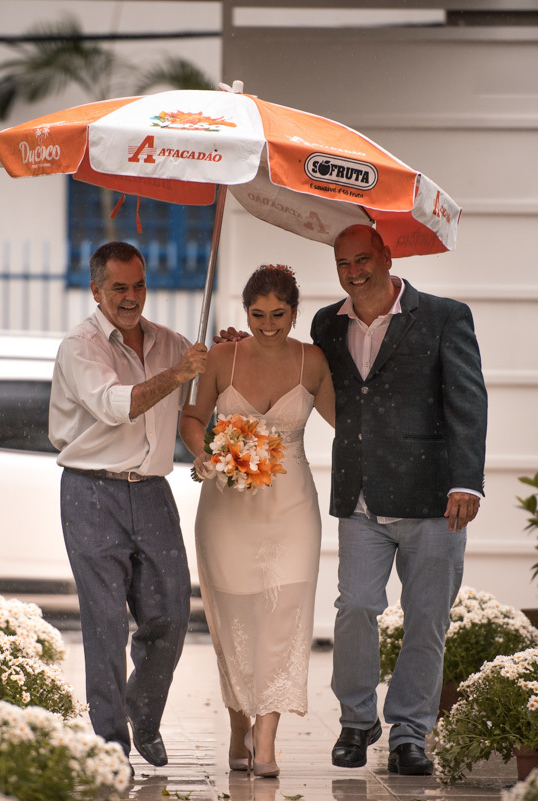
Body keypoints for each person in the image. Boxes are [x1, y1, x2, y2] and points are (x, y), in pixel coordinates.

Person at [312, 224, 488, 776]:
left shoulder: (443, 316)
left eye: (363, 259)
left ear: (387, 255)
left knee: (426, 619)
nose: (353, 271)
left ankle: (411, 731)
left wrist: (467, 481)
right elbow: (303, 375)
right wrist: (240, 347)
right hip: (362, 497)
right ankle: (358, 720)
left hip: (435, 498)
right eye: (343, 263)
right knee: (357, 607)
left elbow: (468, 399)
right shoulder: (326, 323)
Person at [49, 241, 208, 771]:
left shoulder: (172, 343)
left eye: (138, 285)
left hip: (153, 491)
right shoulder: (81, 345)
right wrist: (180, 374)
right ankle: (111, 742)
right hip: (91, 491)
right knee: (106, 623)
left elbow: (207, 391)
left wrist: (228, 350)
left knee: (171, 616)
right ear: (96, 290)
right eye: (119, 287)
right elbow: (118, 405)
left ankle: (144, 711)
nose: (131, 296)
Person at [180, 265, 335, 778]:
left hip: (292, 509)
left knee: (283, 617)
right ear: (245, 312)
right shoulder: (223, 356)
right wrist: (204, 454)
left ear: (295, 311)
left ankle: (266, 741)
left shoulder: (314, 361)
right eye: (257, 315)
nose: (268, 325)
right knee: (236, 621)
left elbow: (351, 419)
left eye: (279, 315)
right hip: (228, 506)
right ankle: (236, 725)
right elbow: (192, 417)